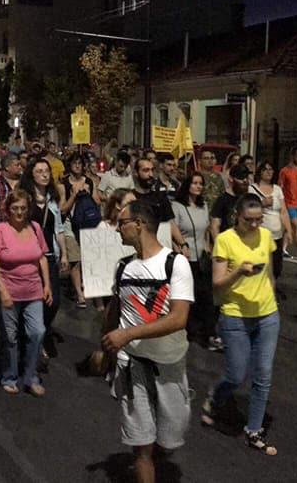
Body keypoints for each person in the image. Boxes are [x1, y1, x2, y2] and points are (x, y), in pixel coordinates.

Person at [102, 200, 193, 483]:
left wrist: (127, 334)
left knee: (168, 437)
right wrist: (105, 349)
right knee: (142, 446)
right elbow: (114, 311)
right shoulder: (123, 267)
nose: (118, 230)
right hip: (134, 367)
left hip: (169, 365)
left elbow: (178, 318)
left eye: (121, 223)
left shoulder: (175, 263)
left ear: (138, 224)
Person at [202, 194, 280, 455]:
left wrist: (271, 293)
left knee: (263, 375)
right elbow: (217, 282)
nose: (256, 225)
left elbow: (269, 273)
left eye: (260, 219)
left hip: (267, 314)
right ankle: (216, 397)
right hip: (235, 315)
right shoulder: (225, 240)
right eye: (249, 220)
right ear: (237, 216)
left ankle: (254, 430)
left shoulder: (266, 237)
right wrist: (238, 272)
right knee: (236, 374)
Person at [0, 188, 52, 396]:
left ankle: (30, 375)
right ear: (7, 210)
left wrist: (47, 284)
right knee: (10, 337)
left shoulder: (34, 228)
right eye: (15, 208)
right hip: (9, 290)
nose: (19, 212)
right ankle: (10, 375)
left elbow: (42, 257)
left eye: (23, 208)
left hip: (33, 290)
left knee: (37, 332)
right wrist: (2, 291)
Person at [19, 159, 68, 361]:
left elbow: (58, 229)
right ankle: (33, 340)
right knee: (32, 301)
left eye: (47, 171)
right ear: (32, 175)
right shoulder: (25, 199)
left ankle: (43, 331)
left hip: (49, 256)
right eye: (39, 171)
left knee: (53, 302)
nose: (45, 175)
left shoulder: (52, 199)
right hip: (30, 258)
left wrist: (64, 253)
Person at [171, 173, 218, 351]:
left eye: (200, 184)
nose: (198, 186)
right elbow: (172, 230)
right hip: (185, 258)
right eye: (194, 183)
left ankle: (209, 332)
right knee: (188, 296)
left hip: (202, 257)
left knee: (206, 296)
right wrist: (179, 250)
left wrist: (208, 248)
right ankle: (189, 330)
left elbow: (205, 231)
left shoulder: (203, 206)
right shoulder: (177, 206)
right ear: (187, 185)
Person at [61, 152, 101, 309]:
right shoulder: (63, 184)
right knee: (75, 261)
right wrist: (74, 195)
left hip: (88, 225)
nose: (77, 166)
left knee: (90, 260)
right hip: (70, 226)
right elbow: (63, 209)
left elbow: (97, 202)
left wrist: (90, 192)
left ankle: (94, 291)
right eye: (74, 163)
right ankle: (79, 294)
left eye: (80, 163)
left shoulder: (90, 182)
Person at [250, 161, 295, 290]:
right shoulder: (252, 188)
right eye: (265, 169)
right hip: (260, 235)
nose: (269, 172)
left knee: (276, 266)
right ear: (260, 172)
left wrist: (289, 230)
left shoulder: (277, 189)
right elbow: (248, 209)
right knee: (261, 264)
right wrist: (262, 203)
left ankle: (271, 289)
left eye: (271, 169)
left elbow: (284, 212)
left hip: (277, 235)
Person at [209, 165, 250, 239]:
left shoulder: (248, 199)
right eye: (240, 177)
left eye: (246, 177)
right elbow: (214, 227)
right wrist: (219, 247)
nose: (245, 181)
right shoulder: (222, 200)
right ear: (231, 179)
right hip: (228, 244)